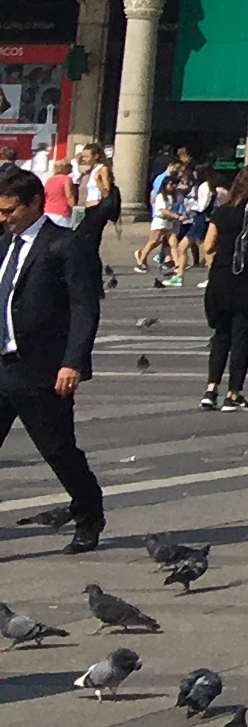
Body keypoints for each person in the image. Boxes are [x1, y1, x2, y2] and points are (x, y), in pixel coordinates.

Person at [0, 163, 106, 550]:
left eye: (9, 210)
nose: (3, 218)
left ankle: (89, 513)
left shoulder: (64, 244)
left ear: (33, 203)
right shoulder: (3, 243)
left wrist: (73, 361)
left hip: (41, 368)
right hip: (2, 362)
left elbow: (84, 307)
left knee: (57, 449)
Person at [199, 163, 248, 410]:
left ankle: (211, 389)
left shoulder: (222, 211)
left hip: (220, 277)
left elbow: (207, 245)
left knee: (221, 335)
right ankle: (233, 393)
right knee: (242, 337)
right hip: (244, 279)